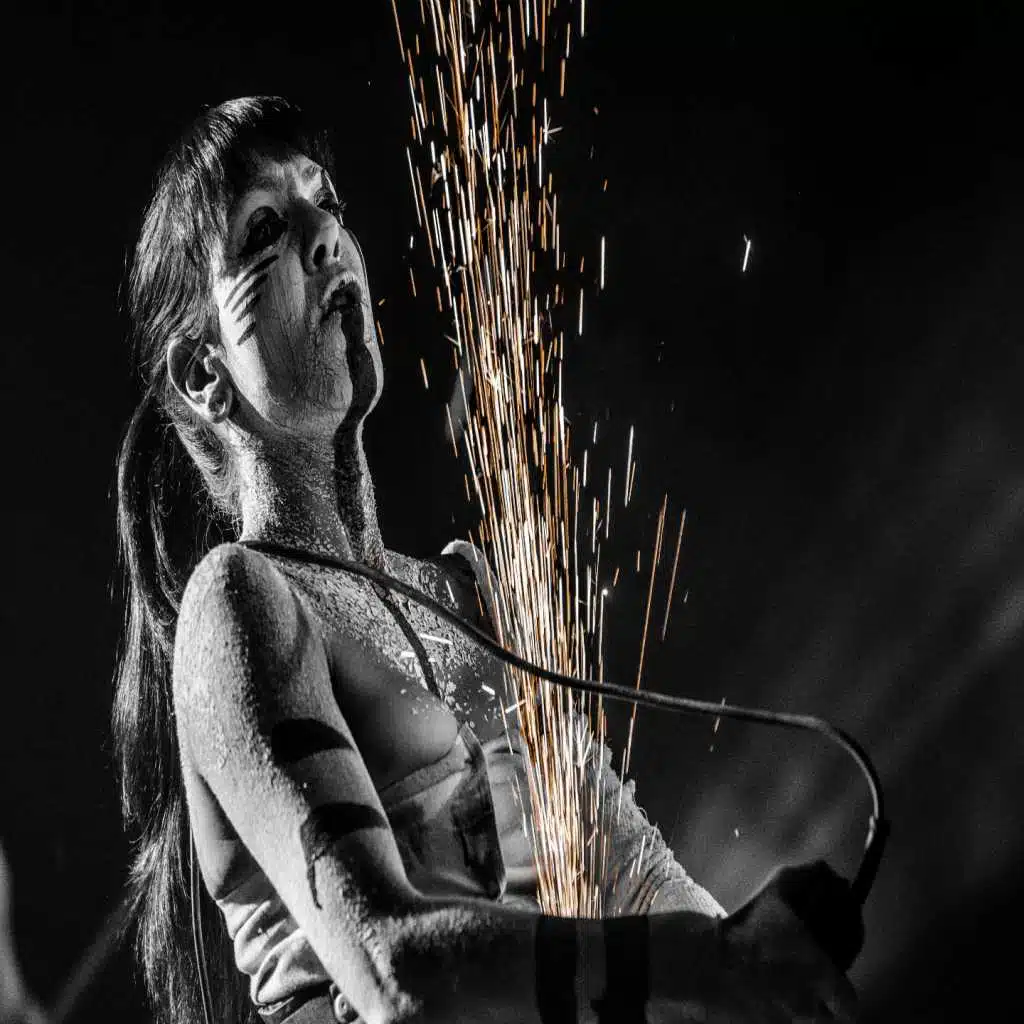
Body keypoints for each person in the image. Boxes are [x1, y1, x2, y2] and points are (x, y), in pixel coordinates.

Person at [112, 95, 863, 1024]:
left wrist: (761, 973)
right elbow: (393, 966)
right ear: (203, 374)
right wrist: (716, 962)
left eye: (326, 200)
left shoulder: (470, 592)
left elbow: (629, 872)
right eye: (265, 228)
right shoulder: (241, 602)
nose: (325, 237)